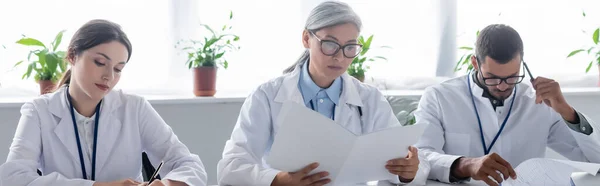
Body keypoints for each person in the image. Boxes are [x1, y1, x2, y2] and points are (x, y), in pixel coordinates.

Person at [216, 1, 429, 186]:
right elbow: (231, 167)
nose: (339, 57)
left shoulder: (369, 99)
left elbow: (410, 163)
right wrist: (277, 180)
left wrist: (408, 171)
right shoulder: (267, 96)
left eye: (350, 47)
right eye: (330, 44)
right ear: (306, 39)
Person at [0, 19, 207, 186]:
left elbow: (188, 164)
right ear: (72, 56)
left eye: (118, 69)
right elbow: (13, 178)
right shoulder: (39, 111)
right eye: (100, 62)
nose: (109, 76)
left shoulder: (134, 108)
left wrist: (165, 185)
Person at [414, 24, 600, 186]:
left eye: (512, 77)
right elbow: (421, 158)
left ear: (522, 65)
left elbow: (594, 161)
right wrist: (465, 165)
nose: (503, 86)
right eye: (492, 78)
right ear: (475, 63)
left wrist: (567, 111)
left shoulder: (539, 102)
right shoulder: (439, 97)